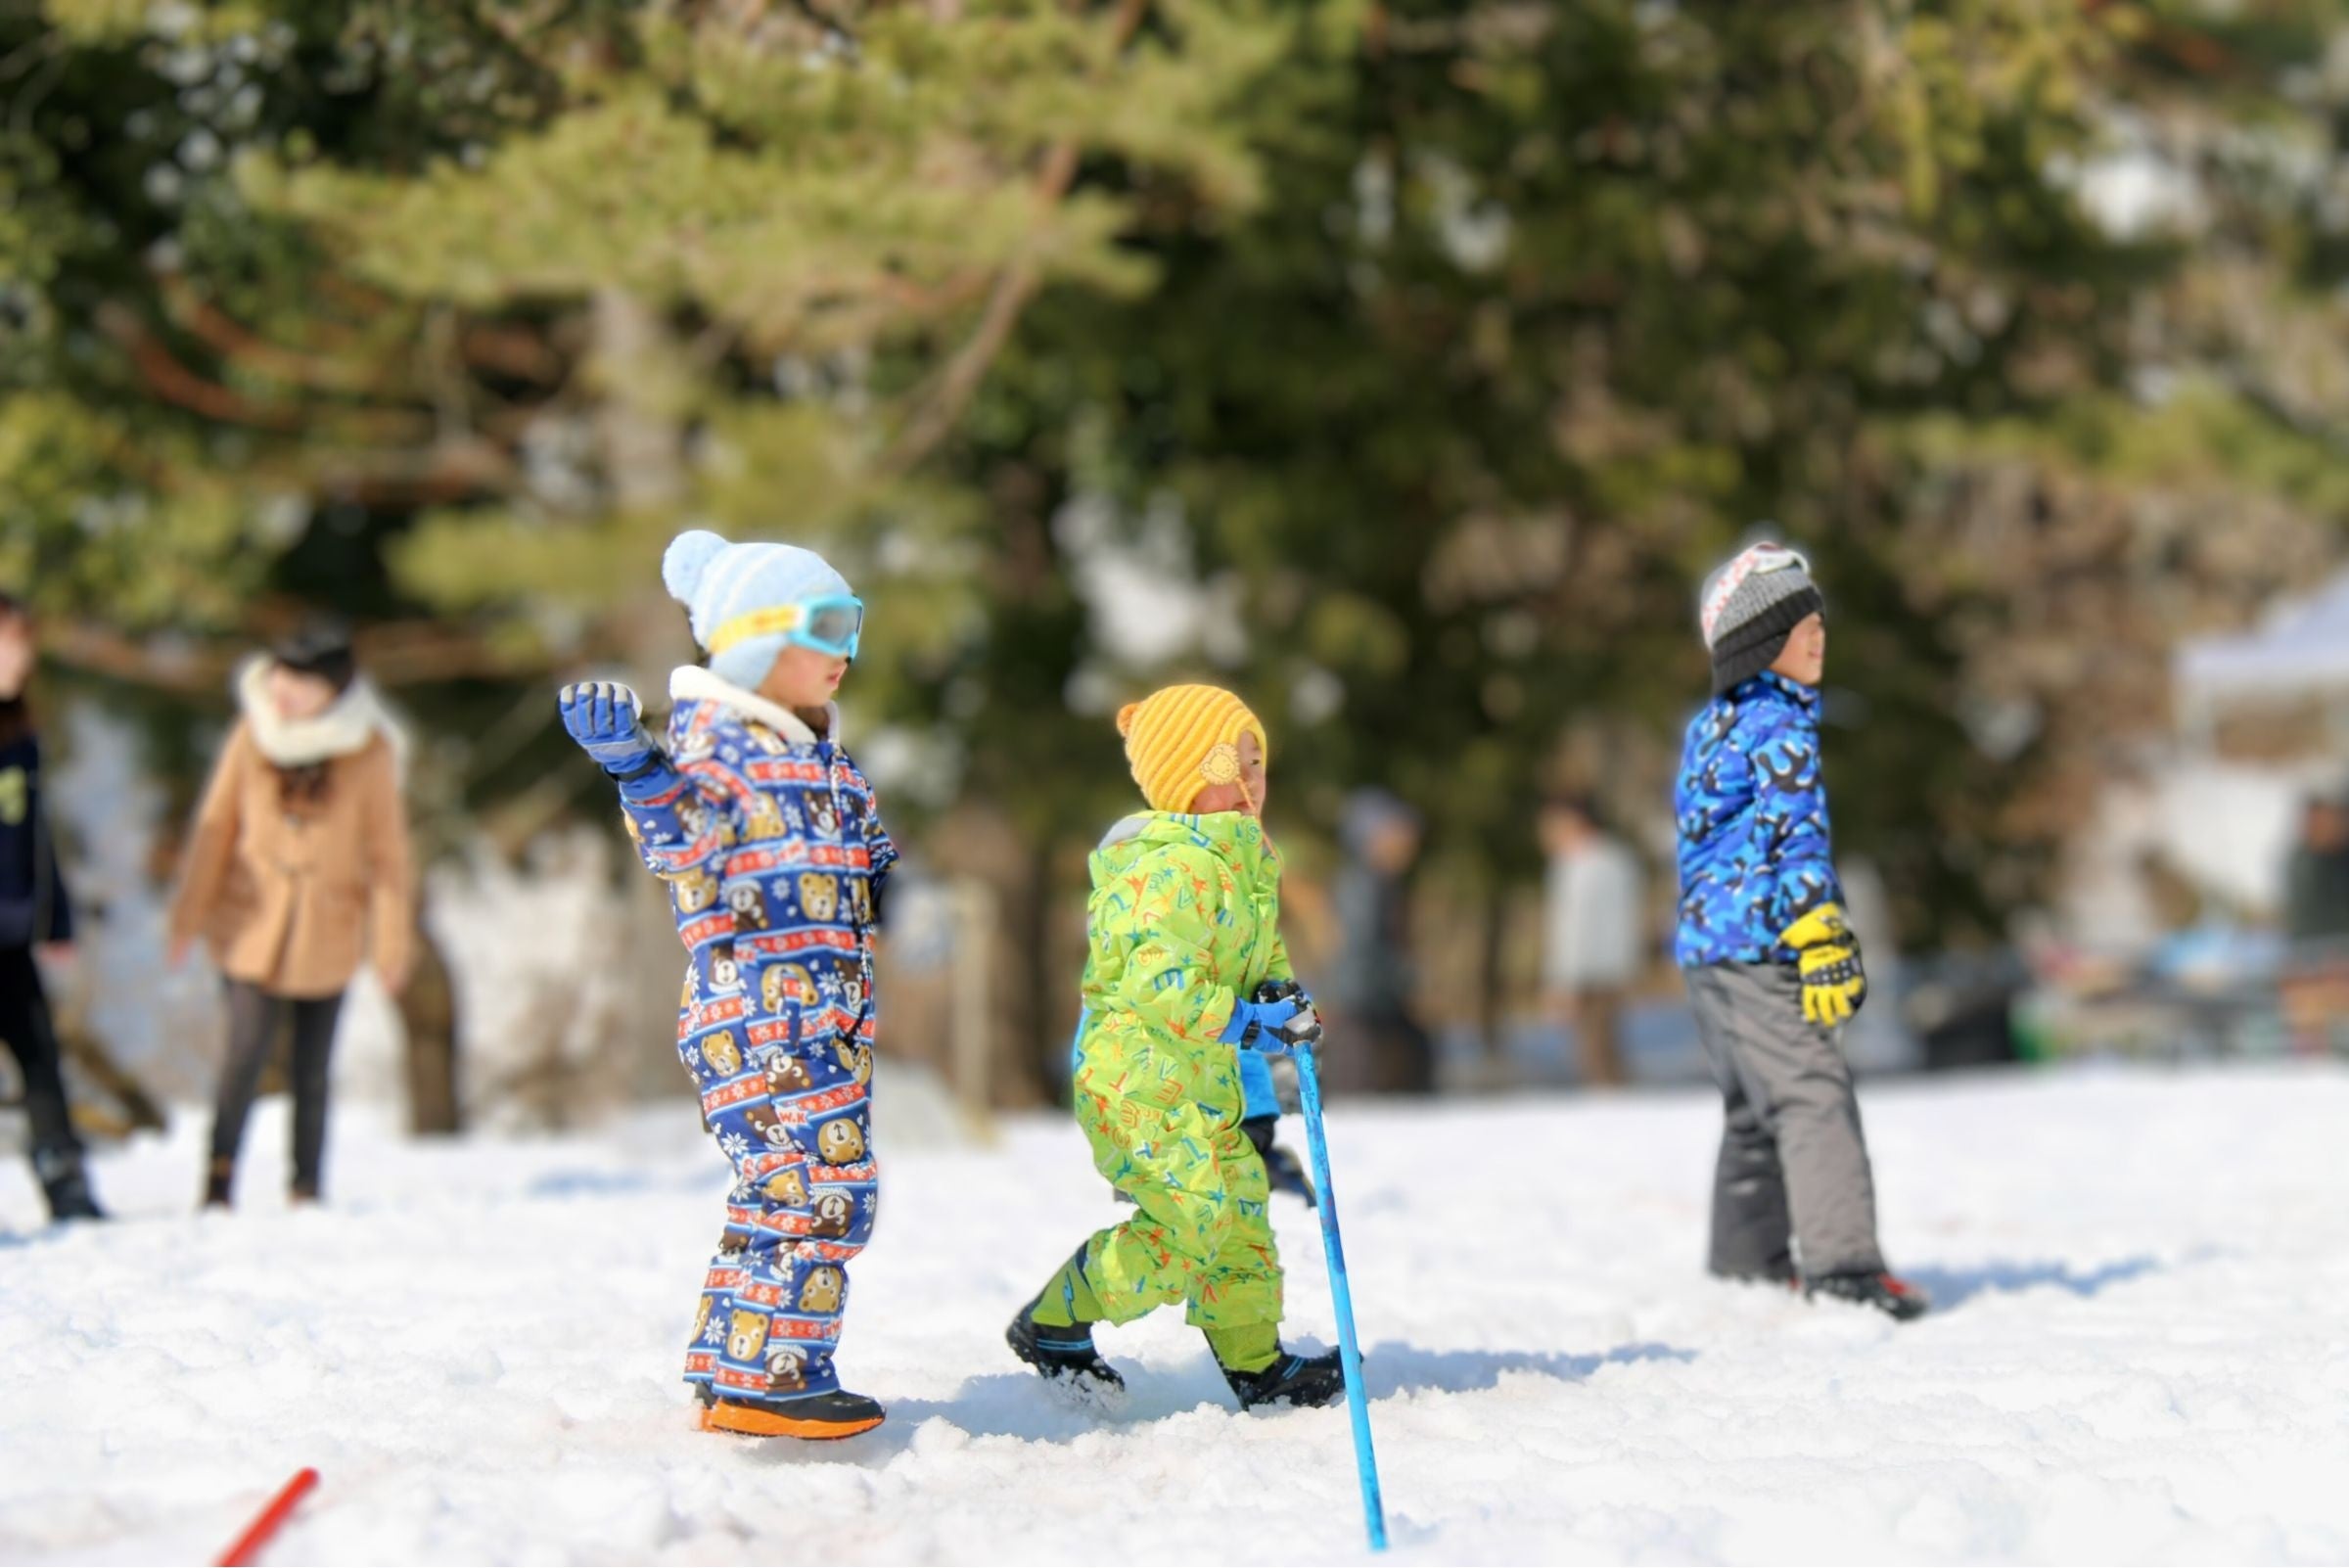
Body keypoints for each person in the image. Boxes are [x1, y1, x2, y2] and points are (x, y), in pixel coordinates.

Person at [560, 530, 895, 1442]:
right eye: (823, 629)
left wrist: (894, 900)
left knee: (773, 1188)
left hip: (812, 1014)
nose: (844, 654)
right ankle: (777, 1374)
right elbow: (686, 838)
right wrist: (634, 767)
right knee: (830, 1185)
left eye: (851, 627)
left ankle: (729, 1358)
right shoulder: (722, 747)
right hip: (766, 1014)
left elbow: (869, 860)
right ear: (755, 638)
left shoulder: (820, 755)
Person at [1006, 684, 1346, 1410]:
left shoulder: (1244, 862)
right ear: (1185, 775)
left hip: (1201, 1079)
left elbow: (1260, 956)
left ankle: (1258, 1362)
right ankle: (1055, 1320)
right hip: (1135, 1083)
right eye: (1233, 759)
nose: (1252, 777)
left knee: (1241, 1207)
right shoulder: (1164, 869)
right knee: (1193, 1217)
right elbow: (1160, 982)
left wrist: (1284, 997)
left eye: (1259, 759)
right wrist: (1253, 1026)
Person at [1675, 541, 1928, 1322]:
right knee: (1813, 1095)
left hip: (1708, 950)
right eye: (1797, 624)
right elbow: (1794, 838)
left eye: (1819, 622)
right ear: (1756, 640)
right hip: (1764, 942)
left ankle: (1748, 1263)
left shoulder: (1712, 727)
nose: (1818, 636)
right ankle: (1844, 1265)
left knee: (1753, 1106)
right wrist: (1820, 934)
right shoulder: (1779, 726)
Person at [169, 623, 413, 1210]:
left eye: (302, 682)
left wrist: (391, 945)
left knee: (312, 1067)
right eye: (282, 674)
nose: (285, 690)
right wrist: (187, 918)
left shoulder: (368, 748)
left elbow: (388, 855)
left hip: (327, 927)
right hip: (249, 920)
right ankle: (219, 1179)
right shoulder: (252, 730)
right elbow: (216, 828)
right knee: (244, 1052)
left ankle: (306, 1186)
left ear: (333, 690)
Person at [0, 593, 104, 1222]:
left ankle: (65, 1179)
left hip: (10, 928)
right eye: (11, 643)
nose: (22, 657)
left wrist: (56, 917)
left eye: (25, 644)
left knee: (39, 1056)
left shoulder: (21, 733)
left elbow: (37, 835)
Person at [1320, 787, 1434, 1095]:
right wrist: (1401, 979)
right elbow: (1361, 948)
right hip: (1362, 1008)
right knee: (1363, 1091)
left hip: (1379, 1004)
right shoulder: (1363, 887)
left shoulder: (1384, 884)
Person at [1539, 792, 1645, 1088]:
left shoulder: (1576, 866)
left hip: (1585, 973)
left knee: (1595, 1057)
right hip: (1615, 966)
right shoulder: (1619, 859)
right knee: (1609, 1052)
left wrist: (1561, 981)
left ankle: (1610, 1118)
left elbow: (1571, 928)